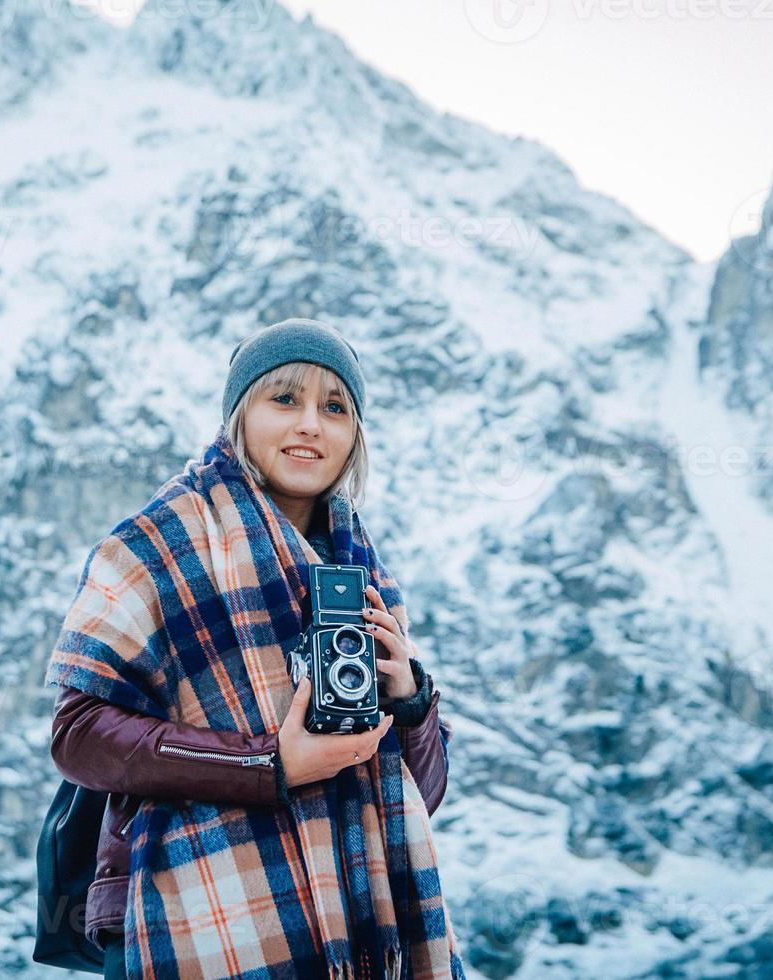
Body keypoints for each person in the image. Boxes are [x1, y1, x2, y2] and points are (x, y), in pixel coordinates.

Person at [46, 318, 465, 979]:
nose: (311, 425)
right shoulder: (155, 546)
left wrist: (410, 701)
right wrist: (268, 764)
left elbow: (422, 799)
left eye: (335, 408)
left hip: (363, 928)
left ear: (356, 436)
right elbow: (78, 736)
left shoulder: (364, 579)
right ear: (240, 415)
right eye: (285, 399)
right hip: (204, 923)